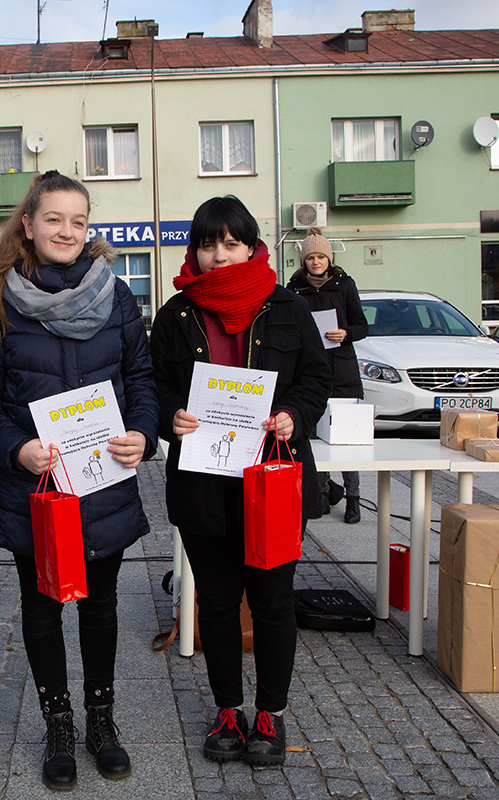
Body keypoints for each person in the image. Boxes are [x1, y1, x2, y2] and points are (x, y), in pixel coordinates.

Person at [0, 171, 158, 790]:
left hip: (103, 482)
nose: (66, 231)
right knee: (43, 608)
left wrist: (143, 432)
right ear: (28, 224)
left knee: (101, 606)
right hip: (36, 486)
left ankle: (101, 721)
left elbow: (141, 378)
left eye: (78, 220)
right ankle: (59, 723)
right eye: (53, 219)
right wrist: (15, 449)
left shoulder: (116, 295)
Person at [150, 196, 331, 769]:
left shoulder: (288, 307)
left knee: (274, 602)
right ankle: (228, 709)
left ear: (251, 246)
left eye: (231, 243)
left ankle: (270, 713)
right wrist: (169, 417)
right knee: (218, 603)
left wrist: (294, 415)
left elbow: (316, 377)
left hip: (270, 479)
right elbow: (153, 385)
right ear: (194, 250)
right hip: (204, 482)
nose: (219, 255)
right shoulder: (176, 314)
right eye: (208, 244)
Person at [286, 228, 369, 524]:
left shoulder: (344, 285)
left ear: (329, 259)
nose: (316, 262)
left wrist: (346, 333)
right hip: (310, 371)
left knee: (347, 438)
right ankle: (322, 494)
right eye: (311, 257)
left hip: (343, 371)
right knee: (312, 436)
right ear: (304, 260)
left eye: (321, 257)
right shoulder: (294, 289)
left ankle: (353, 499)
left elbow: (362, 325)